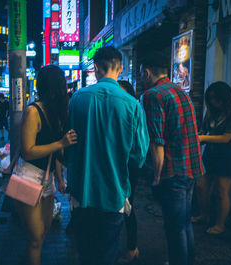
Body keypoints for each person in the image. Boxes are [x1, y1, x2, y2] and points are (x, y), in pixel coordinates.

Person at [66, 47, 149, 265]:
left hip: (82, 191)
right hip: (114, 193)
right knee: (107, 254)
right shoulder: (133, 105)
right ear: (120, 68)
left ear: (95, 69)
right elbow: (139, 156)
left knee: (85, 253)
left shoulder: (77, 98)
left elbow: (69, 143)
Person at [140, 52, 204, 265]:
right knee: (184, 224)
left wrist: (156, 176)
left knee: (174, 227)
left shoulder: (152, 96)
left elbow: (157, 142)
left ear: (147, 72)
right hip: (191, 167)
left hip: (173, 171)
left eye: (141, 73)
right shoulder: (182, 92)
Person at [15, 65, 77, 265]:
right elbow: (28, 151)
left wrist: (60, 178)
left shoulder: (57, 112)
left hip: (47, 178)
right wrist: (61, 143)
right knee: (35, 238)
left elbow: (56, 154)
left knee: (42, 234)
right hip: (26, 177)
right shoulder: (32, 112)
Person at [193, 81, 231, 235]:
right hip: (211, 154)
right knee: (201, 186)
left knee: (221, 191)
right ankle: (204, 215)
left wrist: (202, 138)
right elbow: (203, 130)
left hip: (227, 155)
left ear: (225, 98)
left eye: (216, 98)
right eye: (211, 98)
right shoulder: (211, 112)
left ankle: (220, 225)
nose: (213, 102)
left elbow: (226, 138)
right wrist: (199, 135)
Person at [117, 80, 140, 264]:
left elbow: (140, 147)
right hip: (117, 166)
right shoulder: (119, 112)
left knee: (128, 207)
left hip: (129, 168)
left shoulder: (134, 111)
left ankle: (132, 247)